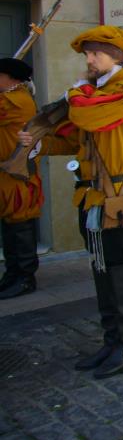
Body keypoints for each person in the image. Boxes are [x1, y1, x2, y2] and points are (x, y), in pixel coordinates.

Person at [26, 26, 123, 378]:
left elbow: (85, 115)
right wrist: (38, 143)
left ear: (116, 56)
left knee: (120, 270)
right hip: (93, 198)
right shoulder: (95, 93)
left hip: (120, 200)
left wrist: (77, 92)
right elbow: (76, 139)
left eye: (96, 53)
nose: (89, 60)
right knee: (101, 269)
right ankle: (111, 341)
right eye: (88, 54)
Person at [0, 58, 42, 299]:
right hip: (7, 174)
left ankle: (25, 277)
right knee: (9, 225)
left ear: (10, 77)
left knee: (20, 223)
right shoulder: (10, 97)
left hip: (19, 175)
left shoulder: (15, 100)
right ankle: (12, 274)